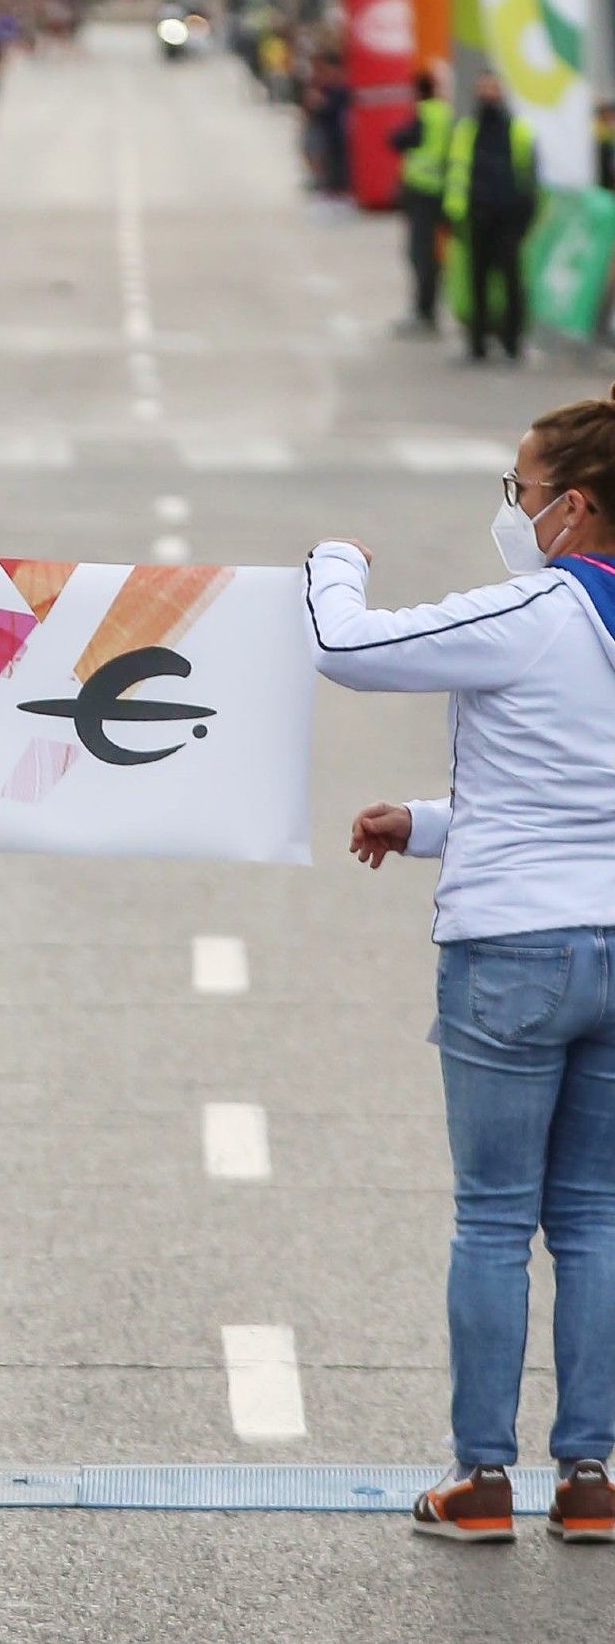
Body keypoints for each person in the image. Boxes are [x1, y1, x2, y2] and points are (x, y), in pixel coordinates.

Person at [313, 389, 615, 1545]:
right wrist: (430, 822)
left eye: (522, 492)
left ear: (572, 507)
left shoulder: (532, 610)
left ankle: (481, 1483)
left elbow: (343, 645)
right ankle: (588, 1481)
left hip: (512, 952)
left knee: (493, 1220)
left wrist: (330, 561)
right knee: (592, 1220)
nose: (515, 509)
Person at [446, 72, 538, 365]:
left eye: (493, 87)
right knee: (478, 282)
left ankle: (512, 342)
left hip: (508, 217)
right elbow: (456, 171)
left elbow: (529, 175)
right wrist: (455, 213)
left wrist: (524, 215)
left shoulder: (518, 130)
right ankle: (478, 343)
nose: (488, 93)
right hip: (477, 216)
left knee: (512, 281)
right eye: (483, 87)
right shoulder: (466, 130)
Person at [390, 69, 453, 336]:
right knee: (430, 255)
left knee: (420, 255)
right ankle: (427, 310)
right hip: (442, 192)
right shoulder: (447, 114)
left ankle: (424, 312)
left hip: (421, 192)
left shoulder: (425, 114)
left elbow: (399, 140)